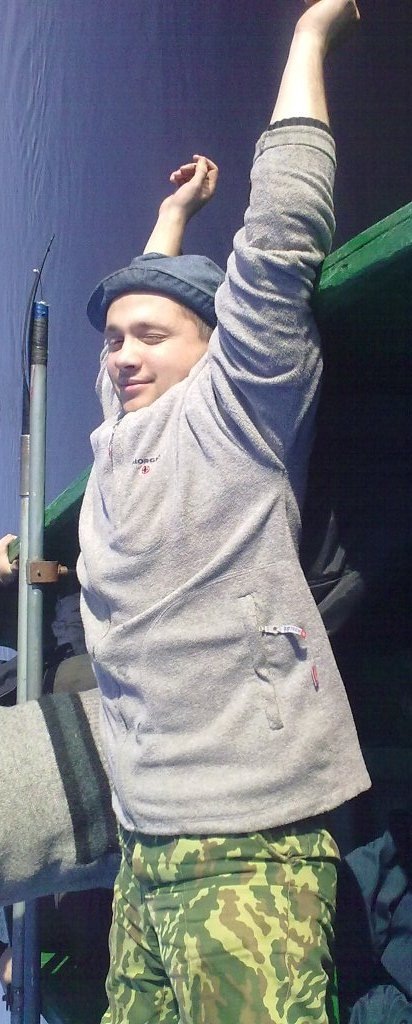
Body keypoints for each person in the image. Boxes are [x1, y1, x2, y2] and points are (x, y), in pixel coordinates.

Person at [76, 1, 372, 1021]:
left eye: (150, 337)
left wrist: (309, 37)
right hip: (142, 850)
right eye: (113, 339)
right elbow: (136, 323)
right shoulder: (114, 443)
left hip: (248, 845)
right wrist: (171, 222)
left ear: (213, 344)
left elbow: (281, 230)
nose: (123, 356)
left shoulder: (239, 408)